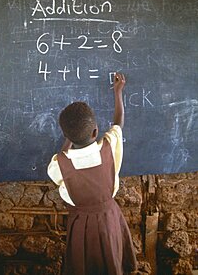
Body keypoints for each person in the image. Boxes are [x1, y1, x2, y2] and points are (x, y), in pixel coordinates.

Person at [47, 73, 137, 275]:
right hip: (109, 218)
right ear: (95, 132)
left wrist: (69, 139)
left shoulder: (59, 163)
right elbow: (118, 125)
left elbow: (61, 157)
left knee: (83, 264)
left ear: (66, 136)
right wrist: (118, 92)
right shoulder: (108, 146)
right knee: (112, 260)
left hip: (81, 225)